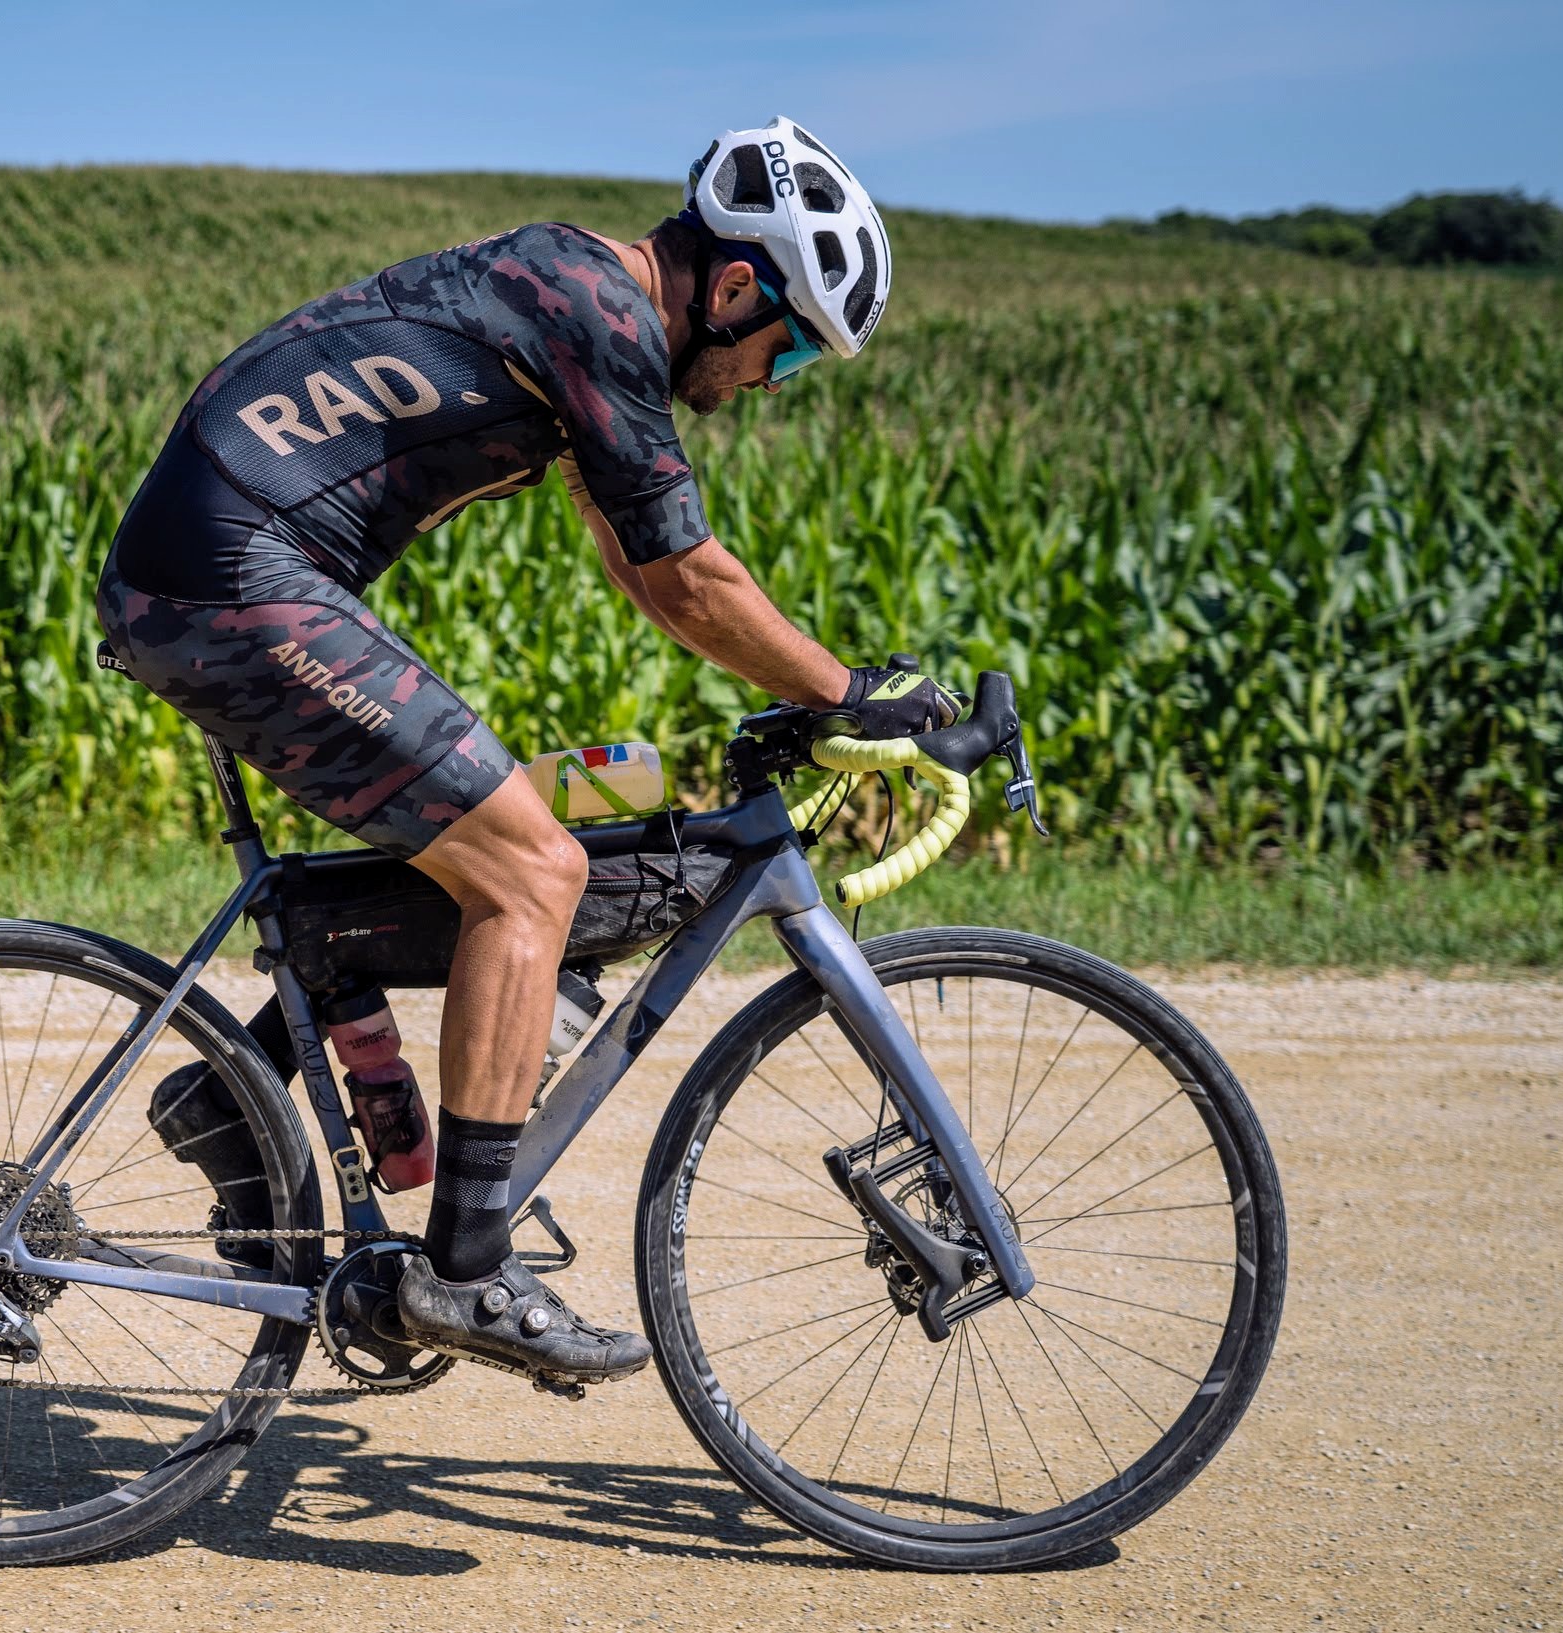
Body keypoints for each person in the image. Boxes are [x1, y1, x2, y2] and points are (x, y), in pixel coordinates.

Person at [98, 119, 953, 1391]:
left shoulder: (574, 305)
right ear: (731, 291)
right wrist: (854, 695)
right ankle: (466, 1266)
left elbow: (639, 564)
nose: (772, 384)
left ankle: (236, 1096)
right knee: (532, 873)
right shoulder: (593, 308)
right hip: (231, 582)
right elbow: (686, 574)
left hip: (225, 569)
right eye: (784, 351)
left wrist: (801, 694)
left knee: (577, 834)